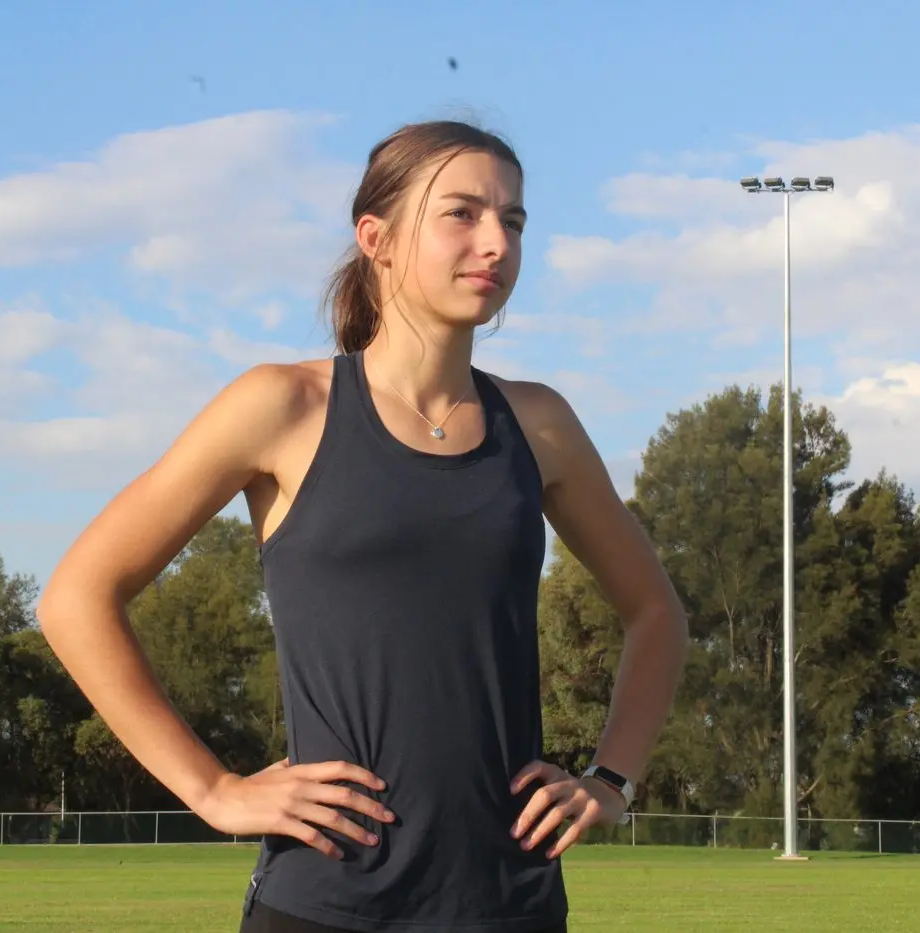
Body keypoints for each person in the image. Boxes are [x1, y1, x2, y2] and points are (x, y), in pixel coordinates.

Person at [36, 120, 689, 933]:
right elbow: (77, 598)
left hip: (512, 904)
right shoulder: (282, 407)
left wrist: (609, 782)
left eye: (513, 222)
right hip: (324, 904)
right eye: (461, 214)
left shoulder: (540, 424)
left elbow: (656, 613)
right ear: (375, 238)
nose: (495, 242)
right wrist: (211, 788)